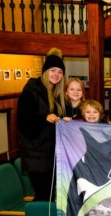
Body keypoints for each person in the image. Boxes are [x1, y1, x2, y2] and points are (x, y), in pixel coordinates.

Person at [17, 47, 66, 201]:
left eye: (60, 72)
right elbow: (24, 124)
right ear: (45, 71)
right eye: (53, 70)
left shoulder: (56, 94)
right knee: (45, 196)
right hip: (36, 157)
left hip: (50, 155)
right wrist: (44, 118)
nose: (56, 75)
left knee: (48, 196)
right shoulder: (31, 91)